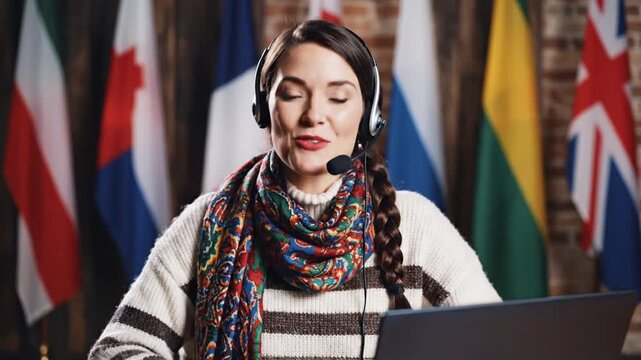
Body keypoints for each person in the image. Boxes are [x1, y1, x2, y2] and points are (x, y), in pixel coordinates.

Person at [89, 20, 500, 360]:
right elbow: (116, 351)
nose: (313, 115)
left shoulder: (417, 226)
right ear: (263, 108)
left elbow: (499, 344)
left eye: (338, 98)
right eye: (292, 94)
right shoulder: (207, 223)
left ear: (368, 117)